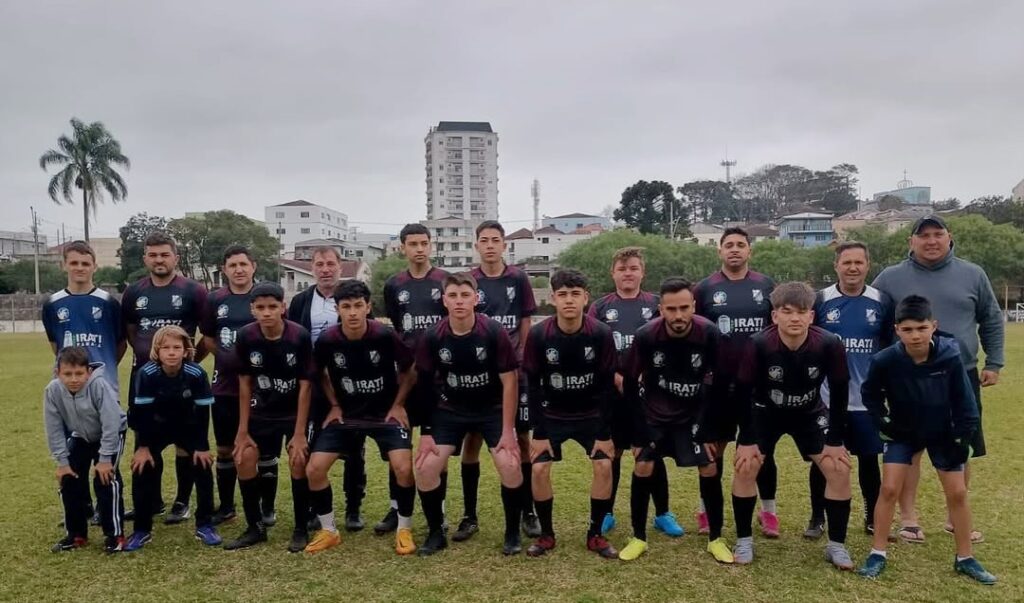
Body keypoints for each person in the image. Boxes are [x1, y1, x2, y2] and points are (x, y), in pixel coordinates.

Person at [872, 215, 1004, 544]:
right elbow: (875, 319)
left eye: (937, 234)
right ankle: (910, 519)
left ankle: (953, 517)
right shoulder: (890, 277)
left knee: (962, 443)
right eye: (923, 235)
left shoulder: (973, 274)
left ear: (949, 237)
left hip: (960, 373)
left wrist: (995, 362)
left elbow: (990, 318)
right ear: (911, 242)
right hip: (906, 376)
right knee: (910, 447)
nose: (931, 241)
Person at [857, 295, 996, 585]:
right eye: (907, 330)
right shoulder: (886, 360)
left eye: (921, 328)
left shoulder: (950, 355)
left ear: (933, 326)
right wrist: (882, 421)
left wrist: (963, 436)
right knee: (889, 488)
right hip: (903, 433)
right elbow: (870, 395)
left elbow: (965, 400)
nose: (915, 335)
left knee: (957, 493)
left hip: (943, 432)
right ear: (897, 330)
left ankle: (965, 558)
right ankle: (877, 553)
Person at [731, 282, 853, 569]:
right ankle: (744, 540)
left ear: (811, 316)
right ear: (775, 316)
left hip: (808, 412)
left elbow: (840, 389)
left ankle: (836, 546)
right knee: (746, 465)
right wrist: (747, 439)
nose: (795, 318)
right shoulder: (758, 343)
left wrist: (835, 439)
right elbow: (742, 392)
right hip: (765, 412)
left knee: (838, 468)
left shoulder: (828, 343)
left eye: (802, 312)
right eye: (787, 312)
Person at [618, 278, 733, 563]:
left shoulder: (709, 333)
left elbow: (722, 383)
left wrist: (709, 430)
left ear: (694, 305)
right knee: (643, 466)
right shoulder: (646, 335)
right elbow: (631, 383)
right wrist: (638, 433)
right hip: (656, 413)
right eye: (671, 309)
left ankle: (716, 538)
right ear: (661, 309)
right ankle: (638, 538)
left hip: (694, 415)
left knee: (709, 467)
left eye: (684, 307)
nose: (679, 315)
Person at [413, 272, 527, 556]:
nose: (459, 301)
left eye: (465, 295)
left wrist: (507, 431)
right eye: (453, 296)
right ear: (444, 301)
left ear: (476, 299)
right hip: (450, 411)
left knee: (511, 465)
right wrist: (426, 433)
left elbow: (509, 381)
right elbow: (425, 385)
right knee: (426, 468)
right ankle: (436, 532)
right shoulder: (433, 336)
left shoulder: (493, 331)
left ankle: (512, 532)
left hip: (492, 410)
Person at [305, 281, 418, 555]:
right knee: (314, 469)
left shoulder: (384, 335)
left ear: (368, 307)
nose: (353, 312)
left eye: (358, 306)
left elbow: (410, 368)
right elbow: (317, 373)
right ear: (337, 309)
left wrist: (399, 404)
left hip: (384, 414)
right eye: (346, 307)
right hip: (347, 415)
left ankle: (404, 528)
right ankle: (329, 530)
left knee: (403, 467)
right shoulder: (328, 340)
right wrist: (333, 404)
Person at [521, 270, 618, 559]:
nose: (569, 300)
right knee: (538, 468)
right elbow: (534, 387)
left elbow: (606, 387)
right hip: (552, 416)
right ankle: (547, 535)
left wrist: (604, 433)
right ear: (553, 299)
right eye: (562, 294)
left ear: (586, 298)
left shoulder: (600, 333)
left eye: (575, 294)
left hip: (590, 415)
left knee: (603, 466)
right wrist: (538, 434)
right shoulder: (539, 335)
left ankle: (595, 535)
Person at [587, 247, 678, 537]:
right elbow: (591, 348)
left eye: (634, 268)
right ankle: (606, 513)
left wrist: (646, 374)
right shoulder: (600, 308)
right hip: (612, 394)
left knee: (652, 453)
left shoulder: (655, 305)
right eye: (622, 268)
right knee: (611, 453)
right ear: (612, 272)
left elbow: (668, 345)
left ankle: (662, 513)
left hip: (648, 394)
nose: (628, 273)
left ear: (643, 272)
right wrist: (613, 373)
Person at [693, 227, 777, 537]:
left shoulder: (766, 286)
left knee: (761, 449)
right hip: (718, 384)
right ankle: (706, 509)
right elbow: (695, 333)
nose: (735, 249)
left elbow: (776, 331)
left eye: (741, 245)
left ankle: (768, 511)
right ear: (719, 251)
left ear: (749, 251)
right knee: (714, 449)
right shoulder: (704, 289)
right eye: (729, 245)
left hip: (758, 384)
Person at [806, 242, 893, 539]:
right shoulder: (821, 301)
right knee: (824, 460)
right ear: (836, 266)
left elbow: (887, 346)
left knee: (869, 460)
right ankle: (817, 518)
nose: (853, 268)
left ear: (868, 265)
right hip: (827, 399)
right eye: (847, 263)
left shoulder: (882, 301)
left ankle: (871, 516)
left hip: (866, 400)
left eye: (859, 262)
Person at [121, 231, 208, 524]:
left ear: (176, 258)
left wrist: (189, 363)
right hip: (145, 379)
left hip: (182, 380)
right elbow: (132, 332)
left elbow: (206, 334)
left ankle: (182, 502)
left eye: (165, 254)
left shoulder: (193, 290)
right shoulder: (134, 292)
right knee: (145, 437)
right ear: (145, 258)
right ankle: (151, 501)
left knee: (185, 441)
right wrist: (152, 361)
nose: (159, 260)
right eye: (153, 255)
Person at [461, 220, 540, 541]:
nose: (490, 245)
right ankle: (469, 515)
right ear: (477, 245)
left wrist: (520, 360)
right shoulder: (470, 280)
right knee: (472, 441)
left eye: (496, 239)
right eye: (484, 240)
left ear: (504, 244)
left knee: (520, 440)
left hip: (513, 372)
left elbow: (524, 321)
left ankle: (528, 510)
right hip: (478, 374)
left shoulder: (518, 278)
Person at [224, 283, 314, 552]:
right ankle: (255, 528)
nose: (266, 313)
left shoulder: (298, 336)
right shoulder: (246, 336)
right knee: (243, 457)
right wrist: (242, 430)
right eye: (260, 308)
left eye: (272, 307)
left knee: (298, 459)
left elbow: (306, 385)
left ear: (282, 308)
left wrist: (299, 433)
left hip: (293, 411)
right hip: (261, 410)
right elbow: (244, 383)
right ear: (252, 309)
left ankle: (300, 528)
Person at [287, 246, 366, 531]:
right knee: (315, 445)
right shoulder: (300, 301)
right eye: (319, 264)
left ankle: (354, 508)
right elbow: (293, 339)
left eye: (330, 263)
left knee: (354, 449)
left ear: (339, 266)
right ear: (312, 268)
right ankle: (312, 507)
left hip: (350, 384)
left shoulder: (352, 296)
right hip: (315, 384)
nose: (325, 269)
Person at [378, 223, 449, 535]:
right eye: (413, 244)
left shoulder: (445, 281)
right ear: (402, 248)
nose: (419, 249)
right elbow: (397, 325)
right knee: (400, 445)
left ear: (431, 246)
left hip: (438, 378)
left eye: (424, 243)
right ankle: (397, 508)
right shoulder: (394, 284)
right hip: (405, 377)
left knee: (436, 448)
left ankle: (440, 511)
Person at [123, 326, 220, 551]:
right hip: (154, 427)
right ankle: (141, 528)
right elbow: (142, 413)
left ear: (186, 350)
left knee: (203, 466)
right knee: (142, 468)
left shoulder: (196, 374)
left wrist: (201, 447)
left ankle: (205, 523)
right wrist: (143, 447)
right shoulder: (146, 374)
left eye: (177, 347)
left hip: (187, 426)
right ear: (157, 350)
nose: (172, 352)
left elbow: (203, 413)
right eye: (166, 347)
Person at [45, 347, 127, 553]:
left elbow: (111, 423)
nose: (74, 379)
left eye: (79, 373)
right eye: (67, 374)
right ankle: (77, 534)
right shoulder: (53, 391)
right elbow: (53, 428)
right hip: (81, 436)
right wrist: (62, 463)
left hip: (110, 434)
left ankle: (114, 534)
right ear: (58, 373)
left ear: (88, 372)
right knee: (69, 479)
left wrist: (105, 458)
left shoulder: (99, 385)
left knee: (105, 479)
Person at [200, 245, 257, 525]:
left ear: (253, 267)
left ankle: (262, 507)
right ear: (225, 270)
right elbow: (208, 337)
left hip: (261, 386)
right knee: (224, 448)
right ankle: (226, 506)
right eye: (232, 265)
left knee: (259, 448)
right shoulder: (214, 300)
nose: (238, 270)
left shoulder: (263, 297)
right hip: (224, 385)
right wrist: (224, 356)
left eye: (243, 264)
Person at [42, 240, 126, 393]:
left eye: (85, 264)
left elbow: (121, 345)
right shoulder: (52, 304)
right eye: (74, 263)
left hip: (105, 385)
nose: (80, 268)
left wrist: (104, 366)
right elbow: (56, 346)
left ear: (94, 267)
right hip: (68, 387)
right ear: (64, 266)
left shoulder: (109, 303)